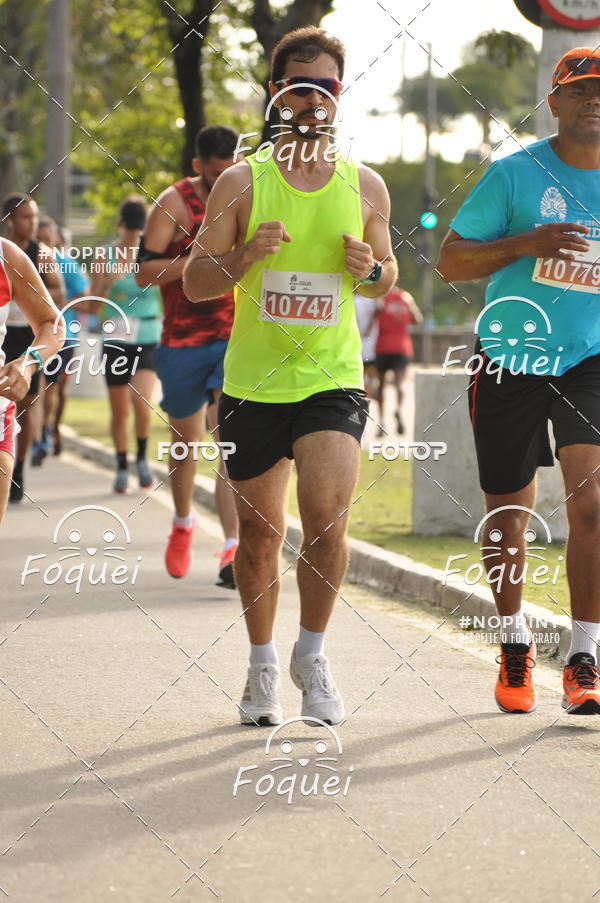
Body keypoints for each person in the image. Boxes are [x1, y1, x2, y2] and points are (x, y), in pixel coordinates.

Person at [183, 26, 397, 726]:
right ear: (275, 94)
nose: (310, 101)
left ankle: (312, 653)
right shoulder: (243, 181)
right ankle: (262, 666)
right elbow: (192, 282)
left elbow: (384, 276)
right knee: (261, 536)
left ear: (339, 97)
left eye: (324, 89)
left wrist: (370, 267)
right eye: (297, 87)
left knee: (329, 523)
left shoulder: (364, 184)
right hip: (253, 382)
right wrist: (245, 253)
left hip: (331, 376)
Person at [437, 46, 600, 716]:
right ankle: (513, 639)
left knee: (592, 503)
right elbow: (449, 259)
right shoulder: (513, 175)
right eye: (583, 91)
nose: (596, 102)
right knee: (510, 514)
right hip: (511, 353)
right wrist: (524, 244)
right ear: (555, 102)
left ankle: (585, 656)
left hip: (592, 356)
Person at [136, 126, 240, 588]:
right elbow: (144, 273)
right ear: (198, 166)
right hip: (182, 339)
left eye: (228, 170)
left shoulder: (246, 192)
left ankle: (232, 550)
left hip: (234, 336)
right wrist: (203, 260)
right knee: (186, 443)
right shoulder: (173, 204)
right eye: (214, 173)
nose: (222, 181)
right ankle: (182, 521)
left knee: (230, 441)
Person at [89, 197, 162, 493]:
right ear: (120, 227)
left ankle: (142, 458)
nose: (134, 238)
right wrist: (108, 281)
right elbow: (92, 305)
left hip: (146, 337)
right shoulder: (103, 256)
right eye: (129, 232)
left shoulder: (152, 256)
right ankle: (121, 467)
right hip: (116, 338)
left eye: (139, 232)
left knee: (142, 401)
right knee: (120, 410)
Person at [1, 194, 65, 501]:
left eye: (35, 217)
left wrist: (24, 288)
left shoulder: (36, 254)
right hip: (8, 332)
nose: (33, 223)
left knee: (25, 405)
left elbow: (58, 294)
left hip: (25, 338)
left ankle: (19, 467)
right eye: (26, 217)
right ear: (10, 219)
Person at [34, 217, 88, 460]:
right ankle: (42, 433)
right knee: (45, 387)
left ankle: (52, 428)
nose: (45, 244)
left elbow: (85, 296)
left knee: (58, 389)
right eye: (40, 240)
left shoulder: (67, 264)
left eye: (48, 239)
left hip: (66, 336)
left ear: (56, 239)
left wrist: (56, 304)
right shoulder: (26, 262)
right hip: (34, 335)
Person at [374, 285, 421, 436]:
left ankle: (381, 422)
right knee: (400, 382)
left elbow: (372, 319)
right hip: (401, 347)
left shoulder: (380, 298)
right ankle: (399, 409)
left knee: (381, 385)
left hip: (382, 346)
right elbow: (417, 319)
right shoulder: (406, 297)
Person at [354, 292, 379, 400]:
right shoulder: (370, 299)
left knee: (364, 372)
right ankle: (369, 391)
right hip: (367, 345)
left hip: (363, 344)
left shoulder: (356, 300)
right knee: (368, 370)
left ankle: (367, 392)